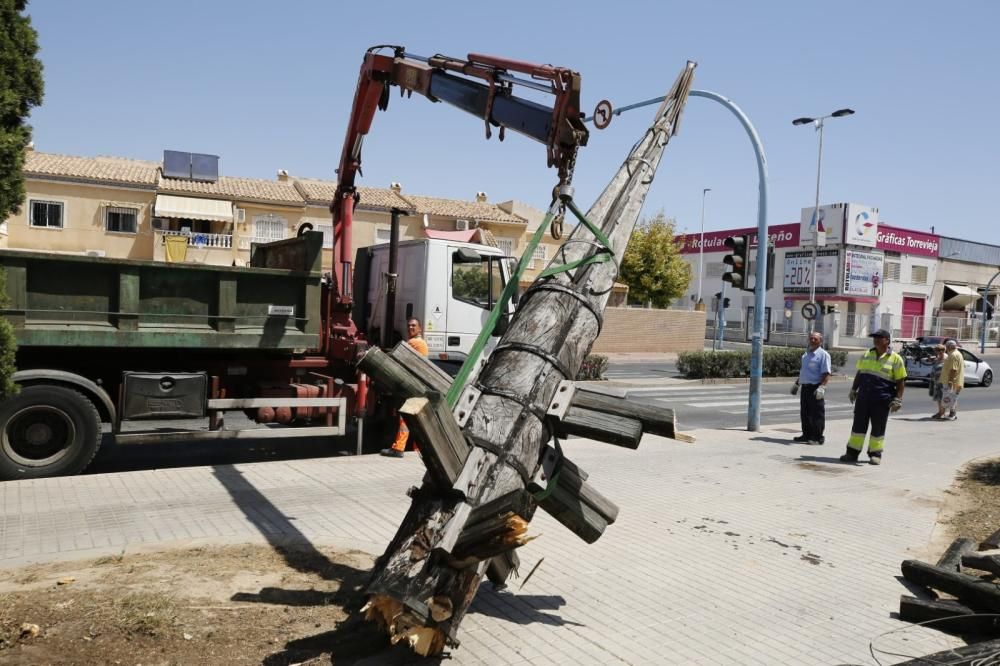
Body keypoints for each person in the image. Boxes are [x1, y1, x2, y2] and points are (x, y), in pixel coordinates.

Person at [842, 329, 907, 465]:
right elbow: (860, 373)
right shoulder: (867, 354)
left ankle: (875, 454)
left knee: (878, 428)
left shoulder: (896, 359)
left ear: (887, 340)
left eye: (879, 337)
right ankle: (852, 453)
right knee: (858, 427)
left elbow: (900, 381)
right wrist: (854, 389)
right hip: (863, 398)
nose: (876, 340)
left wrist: (898, 399)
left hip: (882, 400)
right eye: (874, 337)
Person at [380, 318, 429, 458]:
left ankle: (399, 448)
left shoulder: (414, 342)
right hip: (419, 384)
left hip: (412, 385)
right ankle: (417, 449)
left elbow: (399, 357)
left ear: (420, 329)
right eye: (408, 325)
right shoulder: (422, 343)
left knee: (405, 418)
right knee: (416, 418)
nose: (410, 328)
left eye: (414, 326)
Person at [791, 331, 832, 445]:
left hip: (816, 388)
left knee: (817, 414)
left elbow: (826, 373)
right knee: (805, 413)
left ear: (820, 341)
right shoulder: (806, 354)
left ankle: (818, 437)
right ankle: (806, 435)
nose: (813, 340)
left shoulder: (823, 355)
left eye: (815, 339)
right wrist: (797, 384)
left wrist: (822, 387)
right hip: (805, 387)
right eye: (811, 338)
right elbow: (804, 372)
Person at [938, 338, 964, 420]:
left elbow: (953, 369)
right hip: (954, 380)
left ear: (949, 347)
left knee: (950, 398)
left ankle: (952, 415)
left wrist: (950, 381)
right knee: (953, 398)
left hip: (952, 381)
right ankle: (952, 414)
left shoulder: (953, 355)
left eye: (946, 346)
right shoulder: (955, 354)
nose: (946, 348)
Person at [928, 344, 947, 418]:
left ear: (942, 350)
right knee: (938, 397)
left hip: (942, 380)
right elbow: (934, 362)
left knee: (942, 397)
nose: (936, 353)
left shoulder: (946, 358)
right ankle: (940, 412)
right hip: (936, 380)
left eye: (937, 351)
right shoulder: (938, 358)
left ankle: (942, 413)